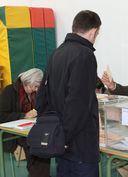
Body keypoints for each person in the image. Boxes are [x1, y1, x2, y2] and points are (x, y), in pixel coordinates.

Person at [36, 10, 101, 177]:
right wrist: (65, 136)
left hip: (60, 141)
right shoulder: (85, 55)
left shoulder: (57, 53)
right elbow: (78, 104)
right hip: (80, 144)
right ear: (93, 31)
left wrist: (56, 134)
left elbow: (42, 97)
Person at [0, 68, 50, 177]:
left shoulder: (36, 92)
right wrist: (23, 116)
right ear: (26, 83)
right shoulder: (9, 92)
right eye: (35, 87)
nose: (37, 90)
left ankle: (39, 174)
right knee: (37, 144)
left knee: (46, 140)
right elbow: (2, 116)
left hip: (33, 128)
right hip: (15, 133)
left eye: (38, 87)